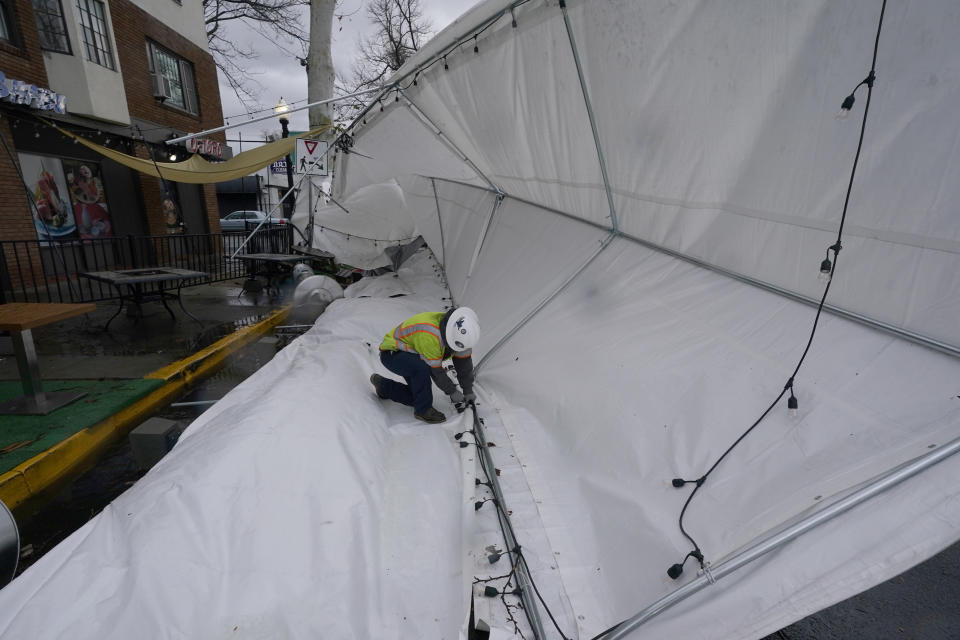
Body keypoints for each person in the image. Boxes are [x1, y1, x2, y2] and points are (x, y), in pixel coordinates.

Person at [371, 307, 479, 423]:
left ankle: (383, 386)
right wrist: (452, 391)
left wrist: (468, 390)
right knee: (421, 368)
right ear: (449, 336)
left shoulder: (461, 334)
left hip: (412, 355)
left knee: (418, 397)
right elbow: (436, 371)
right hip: (393, 354)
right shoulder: (431, 335)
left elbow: (464, 364)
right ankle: (423, 410)